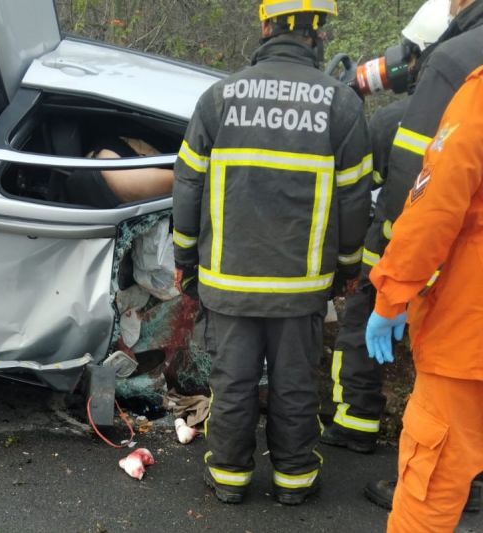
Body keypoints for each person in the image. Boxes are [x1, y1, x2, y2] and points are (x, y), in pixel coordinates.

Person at [172, 0, 371, 506]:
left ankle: (230, 479)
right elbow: (353, 198)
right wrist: (348, 267)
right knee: (295, 386)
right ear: (319, 32)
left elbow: (188, 184)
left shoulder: (219, 98)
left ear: (265, 26)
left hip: (229, 281)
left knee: (233, 384)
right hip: (300, 286)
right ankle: (295, 480)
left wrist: (185, 262)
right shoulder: (341, 105)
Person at [320, 0, 483, 510]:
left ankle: (354, 427)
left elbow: (422, 198)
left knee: (364, 334)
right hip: (442, 262)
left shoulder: (448, 81)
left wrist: (383, 272)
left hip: (420, 261)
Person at [323, 0, 450, 454]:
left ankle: (355, 424)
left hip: (394, 258)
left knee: (358, 330)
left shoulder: (395, 119)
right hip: (452, 264)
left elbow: (357, 190)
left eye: (411, 53)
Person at [364, 64, 483, 533]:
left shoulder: (478, 98)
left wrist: (392, 294)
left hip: (469, 336)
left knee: (431, 482)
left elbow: (435, 209)